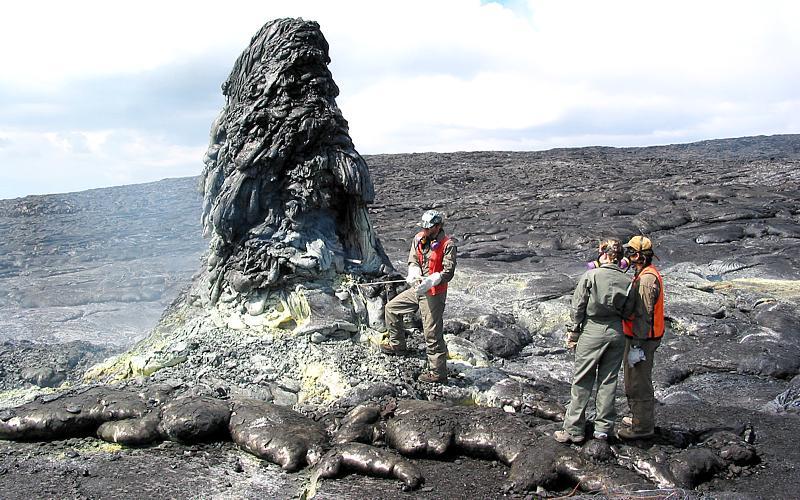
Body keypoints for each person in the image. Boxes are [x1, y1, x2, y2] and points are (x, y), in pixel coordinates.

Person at [554, 239, 631, 444]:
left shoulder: (591, 276)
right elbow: (632, 310)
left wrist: (574, 331)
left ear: (604, 254)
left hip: (593, 330)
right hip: (617, 331)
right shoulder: (627, 280)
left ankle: (574, 430)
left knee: (582, 380)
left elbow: (578, 306)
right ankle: (603, 429)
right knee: (609, 380)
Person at [380, 210, 457, 384]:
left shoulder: (448, 245)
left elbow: (448, 272)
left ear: (438, 227)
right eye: (424, 227)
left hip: (434, 293)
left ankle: (438, 373)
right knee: (391, 308)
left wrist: (432, 280)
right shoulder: (418, 238)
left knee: (431, 332)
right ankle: (397, 345)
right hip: (418, 288)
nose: (425, 230)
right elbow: (414, 259)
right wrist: (413, 271)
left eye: (428, 228)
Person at [617, 235, 665, 440]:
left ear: (638, 255)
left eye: (630, 253)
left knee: (638, 383)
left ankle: (642, 427)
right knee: (634, 380)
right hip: (643, 336)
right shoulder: (644, 274)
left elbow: (644, 315)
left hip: (642, 339)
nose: (626, 256)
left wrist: (636, 345)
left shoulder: (646, 280)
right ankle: (638, 417)